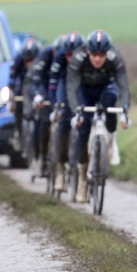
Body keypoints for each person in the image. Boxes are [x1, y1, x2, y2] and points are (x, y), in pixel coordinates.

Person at [66, 29, 130, 203]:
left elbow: (123, 86)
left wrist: (124, 111)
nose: (97, 59)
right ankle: (82, 180)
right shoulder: (78, 57)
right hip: (84, 91)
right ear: (88, 51)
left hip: (105, 89)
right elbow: (71, 87)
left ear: (107, 52)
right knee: (84, 127)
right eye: (94, 54)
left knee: (111, 103)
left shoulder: (115, 58)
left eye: (101, 55)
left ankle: (111, 141)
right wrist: (75, 112)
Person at [49, 31, 84, 191]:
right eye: (68, 54)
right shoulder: (59, 58)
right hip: (65, 82)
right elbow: (53, 85)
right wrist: (55, 105)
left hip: (81, 82)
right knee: (64, 118)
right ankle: (61, 171)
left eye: (74, 54)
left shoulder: (86, 58)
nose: (71, 57)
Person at [29, 34, 65, 177]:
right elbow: (36, 79)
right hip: (45, 88)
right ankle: (42, 157)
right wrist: (38, 96)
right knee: (44, 122)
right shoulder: (45, 55)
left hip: (59, 90)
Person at [9, 35, 40, 150]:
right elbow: (12, 75)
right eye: (27, 60)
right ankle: (18, 131)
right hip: (21, 89)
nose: (29, 63)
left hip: (35, 87)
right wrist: (11, 89)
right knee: (17, 109)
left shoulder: (41, 62)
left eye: (32, 60)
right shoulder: (18, 59)